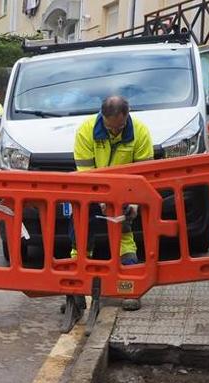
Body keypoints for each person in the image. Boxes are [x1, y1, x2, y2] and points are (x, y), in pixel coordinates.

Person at [72, 95, 153, 310]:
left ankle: (131, 287)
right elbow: (85, 174)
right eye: (110, 128)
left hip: (126, 193)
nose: (115, 131)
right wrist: (101, 199)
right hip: (91, 193)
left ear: (127, 116)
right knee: (80, 235)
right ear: (103, 117)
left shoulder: (140, 132)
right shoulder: (86, 130)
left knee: (125, 235)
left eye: (119, 127)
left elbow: (146, 175)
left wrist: (135, 204)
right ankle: (75, 289)